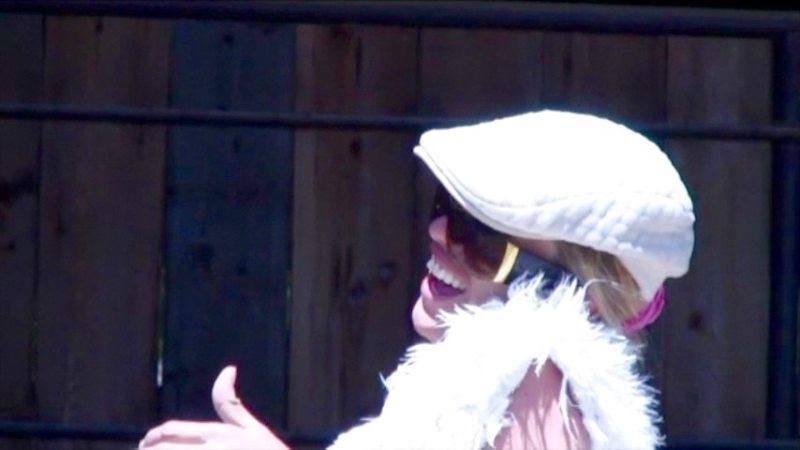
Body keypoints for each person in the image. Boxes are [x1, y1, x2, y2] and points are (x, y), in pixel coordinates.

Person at [139, 110, 695, 449]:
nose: (437, 232)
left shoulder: (539, 374)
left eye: (479, 237)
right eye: (444, 208)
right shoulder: (493, 386)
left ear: (568, 294)